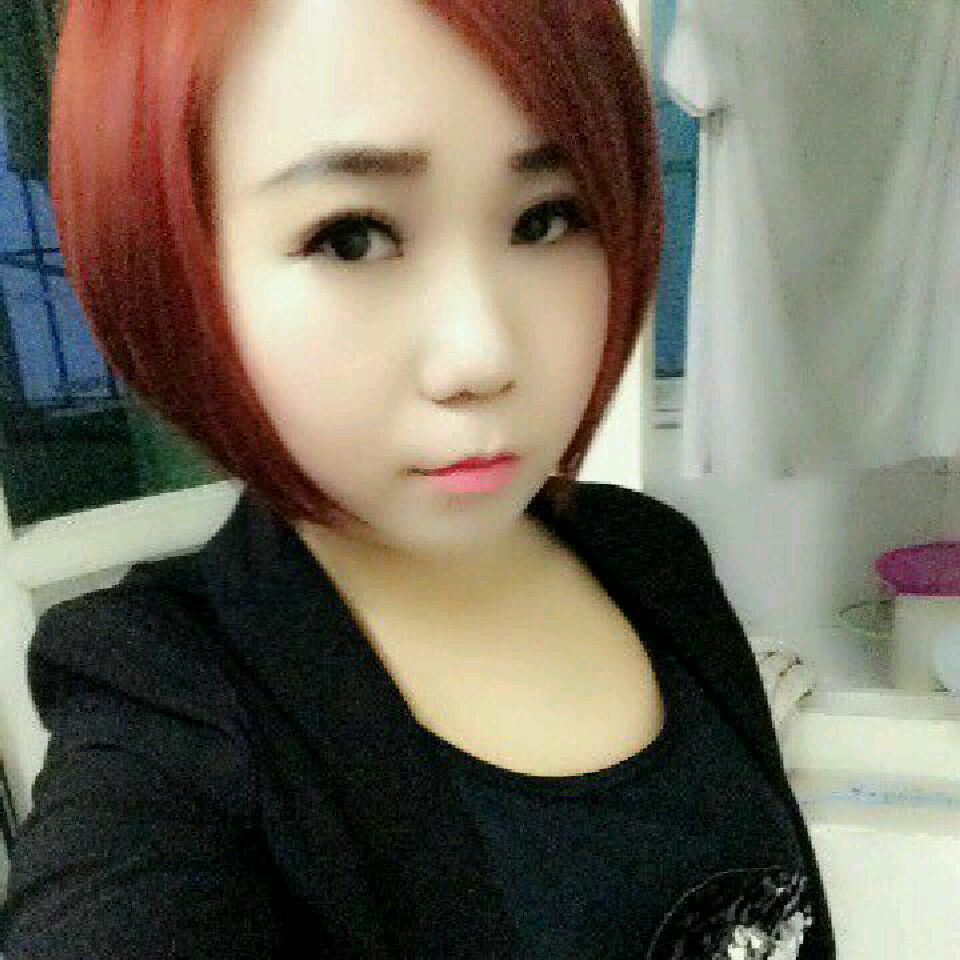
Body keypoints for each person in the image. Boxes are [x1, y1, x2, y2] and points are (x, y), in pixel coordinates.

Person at [3, 0, 836, 957]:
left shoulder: (650, 556)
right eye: (352, 236)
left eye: (546, 218)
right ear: (174, 265)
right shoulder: (168, 706)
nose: (482, 355)